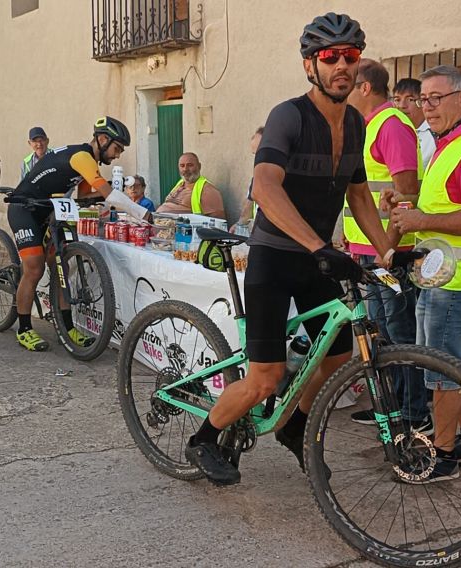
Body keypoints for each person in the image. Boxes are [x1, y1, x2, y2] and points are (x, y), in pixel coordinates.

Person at [184, 13, 417, 486]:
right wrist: (317, 244)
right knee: (264, 378)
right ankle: (203, 440)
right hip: (275, 258)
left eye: (349, 57)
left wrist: (388, 253)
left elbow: (357, 195)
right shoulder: (288, 116)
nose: (341, 66)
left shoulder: (355, 123)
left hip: (317, 257)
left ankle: (293, 423)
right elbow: (265, 187)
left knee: (335, 355)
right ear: (310, 65)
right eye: (329, 57)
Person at [389, 65, 461, 482]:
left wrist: (421, 221)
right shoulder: (448, 143)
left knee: (440, 372)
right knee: (445, 364)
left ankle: (443, 456)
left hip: (458, 283)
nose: (428, 106)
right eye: (423, 98)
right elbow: (442, 207)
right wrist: (408, 208)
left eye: (437, 98)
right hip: (441, 279)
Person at [8, 116, 152, 352]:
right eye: (117, 148)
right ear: (103, 139)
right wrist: (142, 213)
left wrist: (107, 194)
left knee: (60, 265)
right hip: (24, 208)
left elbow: (85, 198)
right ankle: (23, 328)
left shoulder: (89, 163)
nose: (117, 155)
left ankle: (67, 327)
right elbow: (109, 196)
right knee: (34, 267)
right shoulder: (82, 156)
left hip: (50, 210)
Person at [345, 59, 431, 434]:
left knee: (400, 332)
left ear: (365, 87)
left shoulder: (391, 125)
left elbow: (407, 192)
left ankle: (415, 414)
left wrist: (389, 249)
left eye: (349, 83)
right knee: (379, 332)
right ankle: (390, 406)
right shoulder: (366, 126)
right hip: (367, 250)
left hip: (387, 252)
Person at [155, 152, 226, 219]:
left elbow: (218, 222)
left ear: (199, 166)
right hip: (159, 225)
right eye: (182, 166)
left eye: (190, 165)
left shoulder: (207, 190)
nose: (185, 169)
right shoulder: (180, 184)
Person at [392, 78, 436, 169]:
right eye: (397, 100)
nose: (402, 106)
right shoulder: (392, 132)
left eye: (410, 100)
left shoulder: (435, 133)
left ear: (422, 102)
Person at [230, 126, 264, 233]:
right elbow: (248, 208)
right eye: (255, 154)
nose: (257, 159)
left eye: (260, 153)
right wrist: (239, 225)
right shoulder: (257, 178)